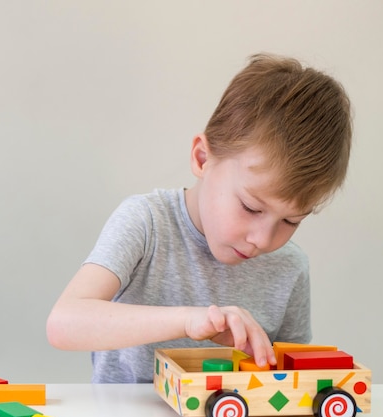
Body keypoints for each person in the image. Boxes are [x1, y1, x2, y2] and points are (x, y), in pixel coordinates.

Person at [46, 53, 352, 383]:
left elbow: (289, 380)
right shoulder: (146, 223)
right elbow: (64, 323)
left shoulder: (290, 267)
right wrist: (189, 320)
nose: (264, 240)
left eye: (291, 222)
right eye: (251, 207)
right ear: (203, 158)